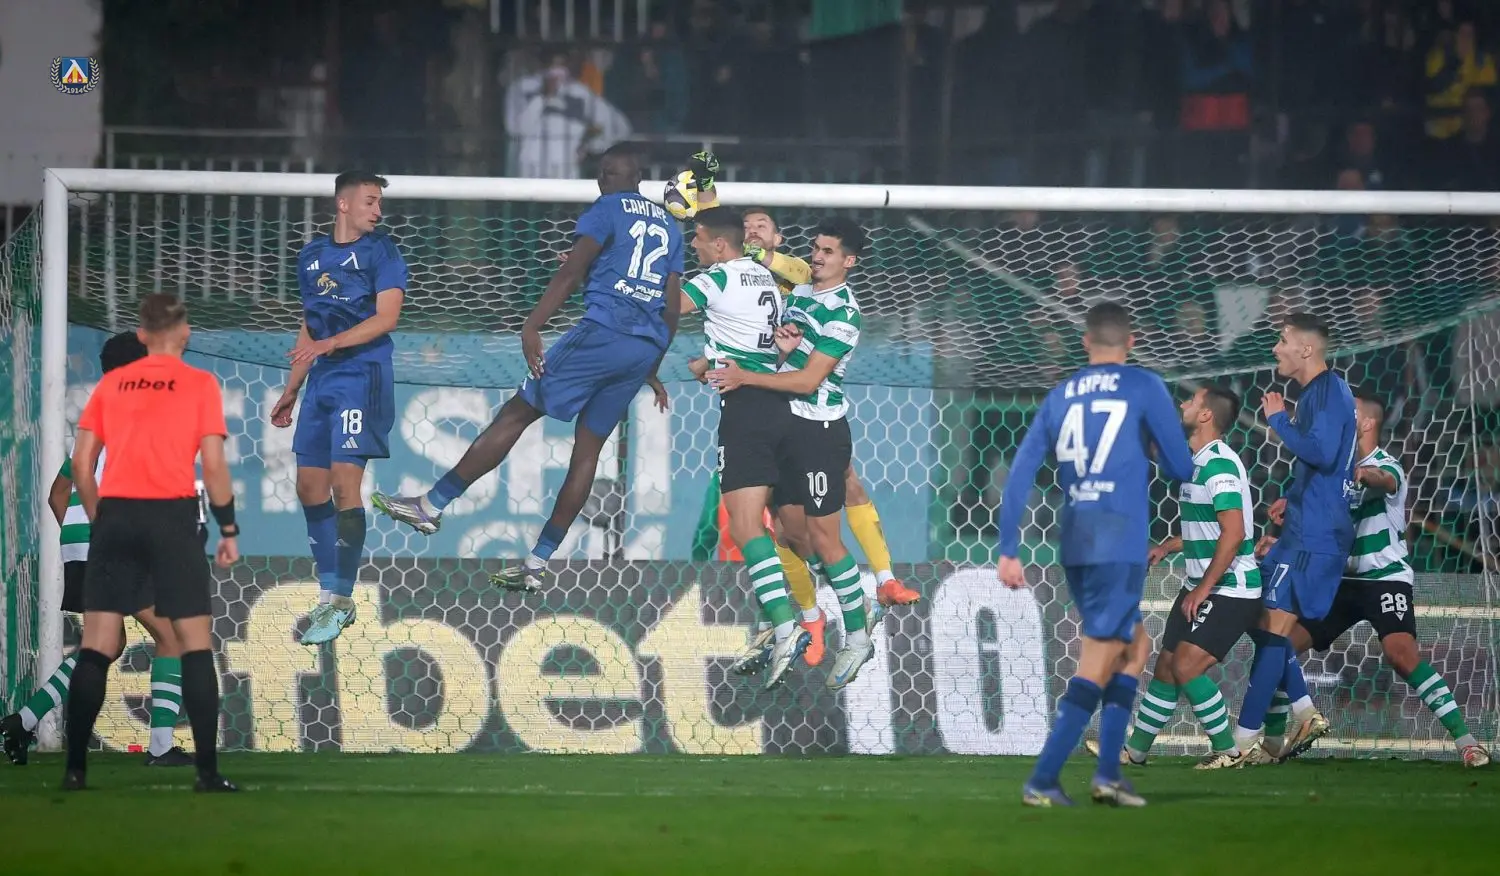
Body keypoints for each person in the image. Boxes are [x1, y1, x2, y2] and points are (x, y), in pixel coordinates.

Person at [372, 144, 682, 593]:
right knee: (588, 452)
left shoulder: (607, 208)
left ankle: (432, 505)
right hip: (642, 346)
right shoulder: (669, 225)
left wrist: (532, 325)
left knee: (517, 413)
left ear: (613, 176)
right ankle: (537, 563)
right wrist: (652, 364)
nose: (601, 180)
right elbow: (670, 305)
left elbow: (570, 274)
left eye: (605, 173)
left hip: (602, 332)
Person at [996, 301, 1195, 808]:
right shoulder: (1144, 385)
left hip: (1076, 536)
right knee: (1101, 655)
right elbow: (1182, 468)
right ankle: (1043, 778)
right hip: (1119, 537)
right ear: (1131, 342)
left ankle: (1108, 773)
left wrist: (1009, 548)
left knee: (1135, 646)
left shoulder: (1061, 394)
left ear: (1086, 342)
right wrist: (1152, 446)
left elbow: (1021, 470)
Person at [62, 294, 239, 792]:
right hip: (170, 517)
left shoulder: (111, 385)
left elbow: (81, 465)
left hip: (116, 517)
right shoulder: (198, 384)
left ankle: (75, 769)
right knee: (194, 645)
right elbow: (214, 466)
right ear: (184, 333)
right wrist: (228, 528)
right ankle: (207, 773)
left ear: (141, 334)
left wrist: (100, 518)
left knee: (96, 646)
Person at [1, 333, 197, 768]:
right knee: (173, 635)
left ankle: (22, 721)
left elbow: (57, 494)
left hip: (78, 541)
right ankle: (161, 747)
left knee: (105, 645)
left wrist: (81, 544)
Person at [1268, 388, 1490, 767]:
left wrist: (1365, 474)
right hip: (1341, 582)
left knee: (1401, 655)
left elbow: (1384, 480)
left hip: (1385, 578)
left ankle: (1467, 742)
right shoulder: (1332, 471)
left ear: (1368, 422)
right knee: (1278, 648)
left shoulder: (1387, 465)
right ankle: (1271, 746)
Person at [707, 218, 877, 690]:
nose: (817, 257)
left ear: (849, 261)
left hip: (819, 432)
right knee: (788, 535)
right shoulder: (799, 295)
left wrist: (746, 377)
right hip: (784, 424)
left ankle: (857, 635)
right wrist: (776, 353)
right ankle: (801, 616)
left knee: (823, 538)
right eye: (815, 248)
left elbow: (808, 381)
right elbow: (786, 362)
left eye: (828, 251)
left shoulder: (844, 313)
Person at [269, 170, 408, 647]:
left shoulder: (383, 252)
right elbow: (311, 326)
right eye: (370, 201)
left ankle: (342, 598)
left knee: (345, 483)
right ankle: (329, 592)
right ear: (343, 204)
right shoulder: (310, 256)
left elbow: (387, 317)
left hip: (362, 375)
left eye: (380, 202)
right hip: (323, 380)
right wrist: (292, 388)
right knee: (309, 486)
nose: (378, 210)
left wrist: (330, 344)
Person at [677, 206, 809, 687]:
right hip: (779, 405)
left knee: (746, 525)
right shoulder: (765, 278)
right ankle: (793, 618)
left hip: (746, 411)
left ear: (719, 245)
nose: (693, 245)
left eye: (697, 239)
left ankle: (787, 625)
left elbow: (670, 306)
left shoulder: (718, 277)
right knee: (788, 531)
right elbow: (753, 338)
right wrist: (709, 359)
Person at [1228, 312, 1355, 765]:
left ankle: (1242, 743)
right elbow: (1327, 463)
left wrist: (1279, 421)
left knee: (1271, 627)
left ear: (1306, 348)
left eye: (1283, 340)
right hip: (1307, 524)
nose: (1276, 348)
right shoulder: (1321, 392)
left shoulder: (1328, 391)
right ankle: (1298, 715)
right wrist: (1293, 496)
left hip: (1314, 533)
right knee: (1259, 617)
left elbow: (1321, 451)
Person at [1120, 385, 1263, 769]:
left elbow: (1234, 534)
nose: (1183, 403)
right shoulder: (1196, 462)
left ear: (1205, 415)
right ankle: (1135, 752)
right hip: (1201, 586)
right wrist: (1169, 546)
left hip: (1230, 588)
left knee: (1186, 666)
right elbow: (1211, 530)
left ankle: (1229, 752)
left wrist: (1203, 589)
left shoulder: (1219, 465)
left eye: (1191, 401)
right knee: (1167, 668)